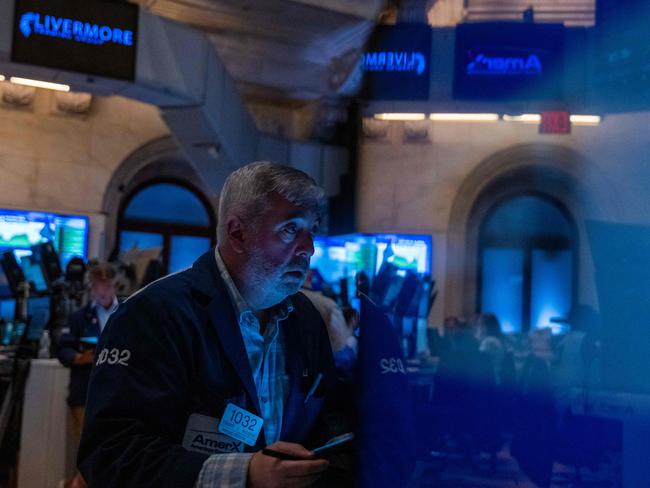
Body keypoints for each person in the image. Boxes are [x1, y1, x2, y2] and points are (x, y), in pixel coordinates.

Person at [78, 162, 347, 488]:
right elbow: (111, 454)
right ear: (237, 233)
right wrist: (244, 474)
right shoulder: (153, 315)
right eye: (290, 229)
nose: (309, 248)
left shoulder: (306, 319)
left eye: (312, 231)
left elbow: (326, 418)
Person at [57, 263, 119, 488]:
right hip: (84, 393)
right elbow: (63, 351)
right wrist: (79, 358)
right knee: (86, 449)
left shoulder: (127, 314)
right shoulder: (79, 318)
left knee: (114, 447)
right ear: (92, 288)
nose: (103, 292)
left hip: (118, 395)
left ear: (114, 285)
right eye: (98, 287)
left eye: (107, 286)